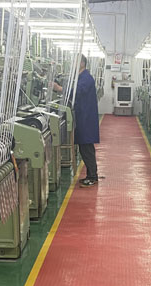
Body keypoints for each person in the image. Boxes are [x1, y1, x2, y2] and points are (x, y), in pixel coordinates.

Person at [53, 55, 100, 187]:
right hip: (83, 117)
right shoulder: (81, 77)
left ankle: (92, 176)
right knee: (85, 148)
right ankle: (92, 175)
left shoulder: (86, 78)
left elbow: (77, 91)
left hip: (86, 118)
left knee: (87, 148)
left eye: (75, 61)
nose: (72, 64)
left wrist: (59, 89)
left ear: (82, 63)